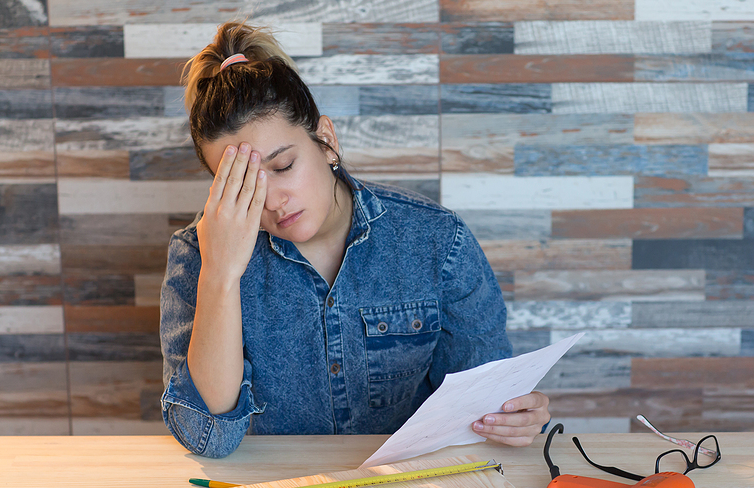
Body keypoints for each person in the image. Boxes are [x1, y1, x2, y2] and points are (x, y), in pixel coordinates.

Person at [159, 21, 550, 458]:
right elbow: (208, 439)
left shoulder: (437, 240)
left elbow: (480, 405)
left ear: (326, 141)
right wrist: (220, 274)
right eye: (242, 185)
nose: (271, 200)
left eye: (283, 166)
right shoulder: (197, 256)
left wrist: (511, 417)